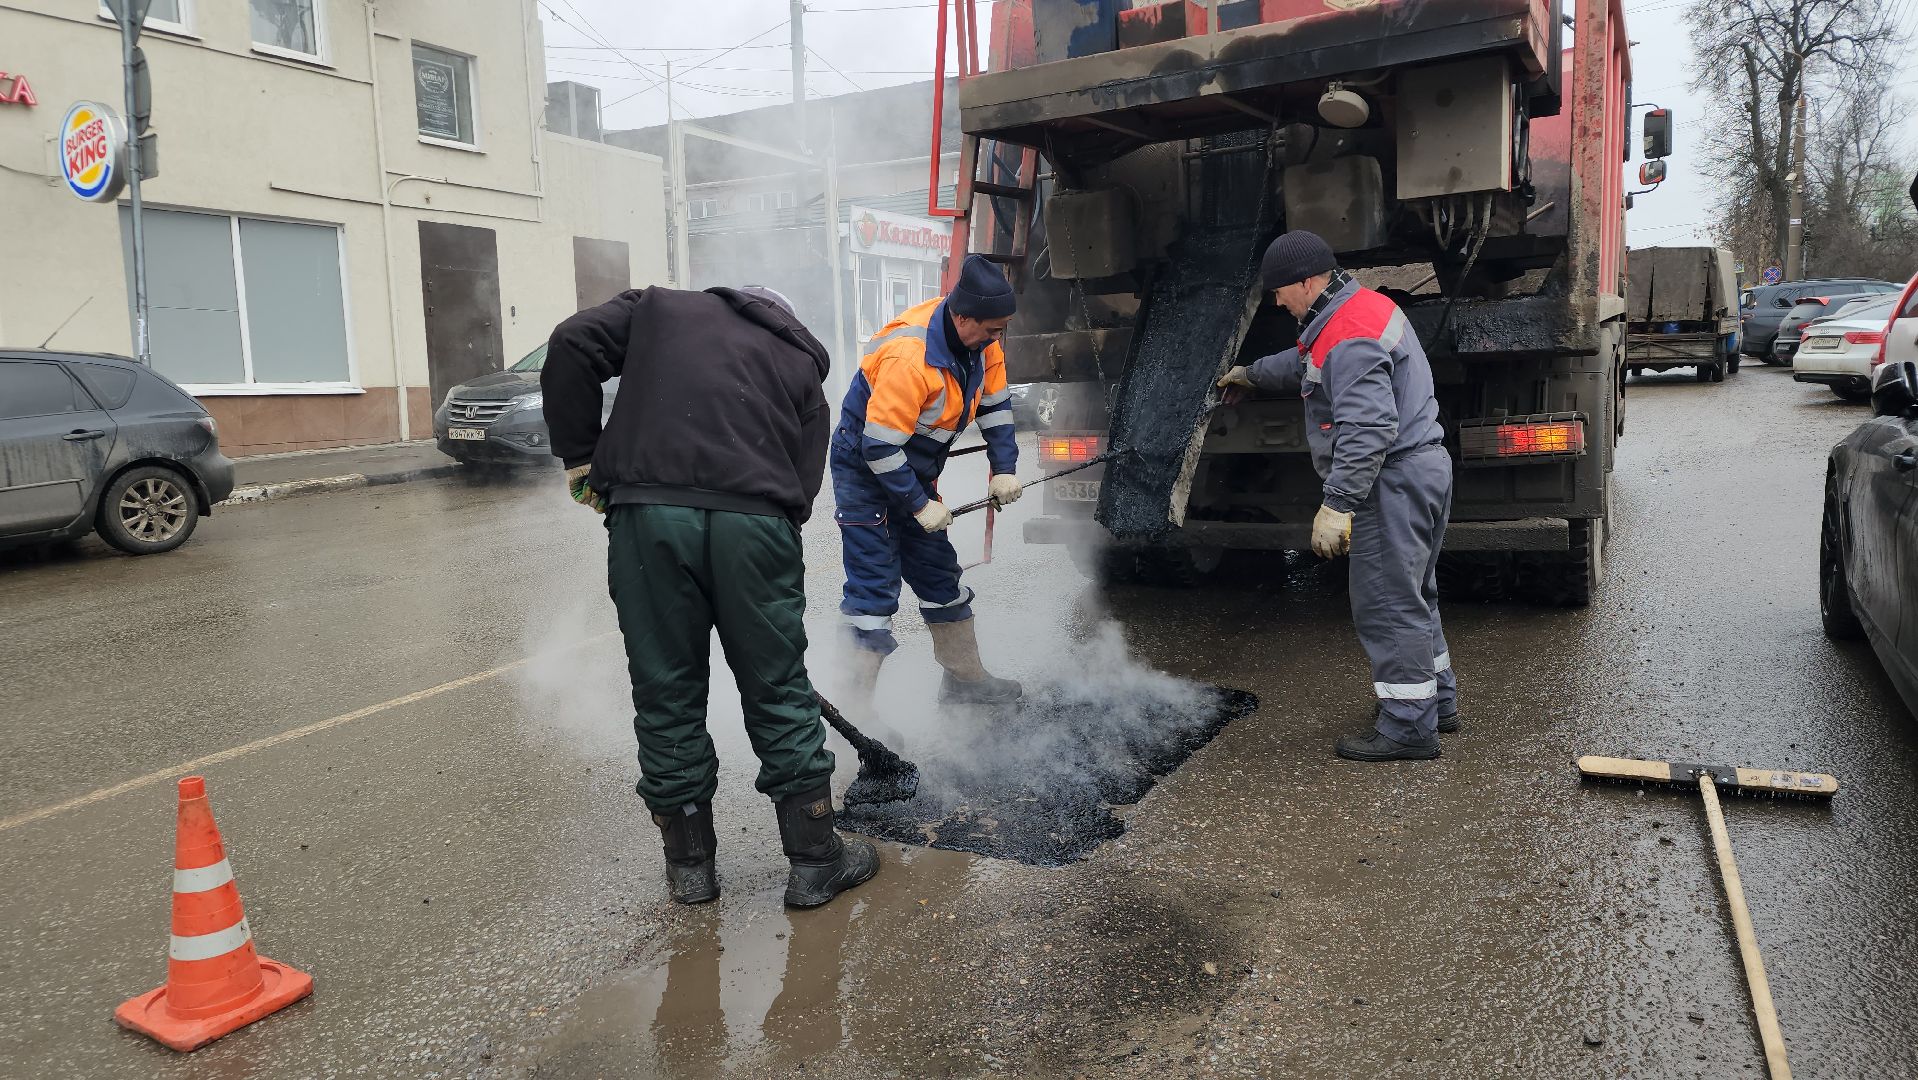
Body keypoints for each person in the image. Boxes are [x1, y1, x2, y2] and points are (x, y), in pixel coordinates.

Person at [541, 284, 878, 908]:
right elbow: (804, 484)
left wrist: (582, 460)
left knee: (666, 686)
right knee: (778, 686)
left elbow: (570, 342)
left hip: (647, 516)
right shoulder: (802, 361)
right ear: (784, 316)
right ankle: (814, 862)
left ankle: (690, 871)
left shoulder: (656, 310)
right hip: (756, 525)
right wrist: (760, 537)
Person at [1218, 231, 1460, 762]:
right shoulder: (1355, 310)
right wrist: (1252, 374)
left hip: (1389, 481)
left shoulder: (1347, 333)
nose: (1277, 301)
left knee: (1387, 605)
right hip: (1423, 469)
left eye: (1281, 291)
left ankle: (1407, 728)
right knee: (1415, 594)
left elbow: (1369, 427)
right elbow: (1307, 363)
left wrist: (1339, 503)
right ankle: (1435, 702)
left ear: (1306, 281)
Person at [833, 254, 1024, 707]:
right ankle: (853, 714)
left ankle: (966, 683)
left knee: (940, 575)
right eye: (992, 329)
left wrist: (1006, 468)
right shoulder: (910, 356)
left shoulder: (983, 344)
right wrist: (920, 506)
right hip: (865, 473)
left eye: (1001, 329)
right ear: (961, 317)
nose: (998, 339)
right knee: (874, 593)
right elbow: (877, 447)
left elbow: (996, 410)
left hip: (912, 470)